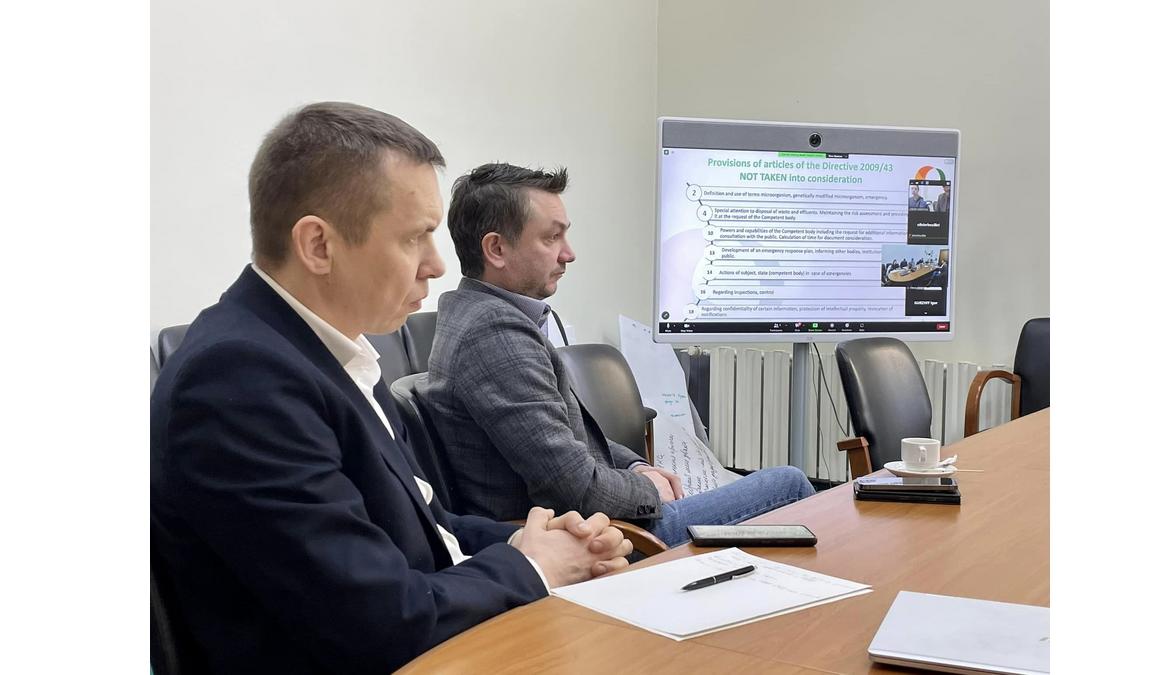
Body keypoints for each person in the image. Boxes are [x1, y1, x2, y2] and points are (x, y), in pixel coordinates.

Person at [150, 104, 632, 674]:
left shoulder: (333, 351)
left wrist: (548, 539)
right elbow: (376, 623)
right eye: (415, 238)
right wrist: (534, 567)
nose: (436, 265)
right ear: (319, 245)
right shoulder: (238, 379)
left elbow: (430, 530)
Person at [420, 163, 816, 548]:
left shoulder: (476, 314)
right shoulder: (495, 334)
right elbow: (575, 489)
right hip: (601, 537)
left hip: (598, 521)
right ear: (496, 249)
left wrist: (634, 465)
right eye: (552, 238)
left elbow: (569, 439)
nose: (568, 254)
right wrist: (650, 491)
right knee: (790, 483)